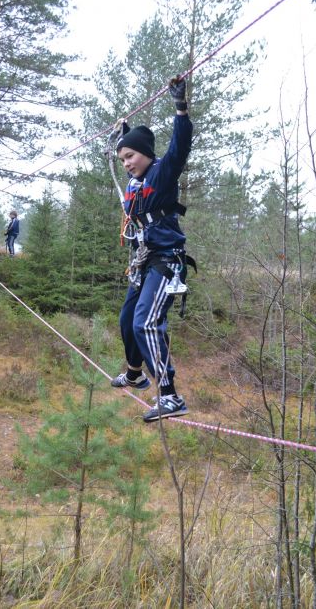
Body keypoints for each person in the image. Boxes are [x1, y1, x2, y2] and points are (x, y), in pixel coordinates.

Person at [110, 76, 193, 423]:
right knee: (127, 320)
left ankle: (170, 396)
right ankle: (135, 374)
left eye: (130, 157)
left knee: (145, 322)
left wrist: (180, 108)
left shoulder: (162, 173)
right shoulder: (135, 181)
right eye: (122, 159)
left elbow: (179, 146)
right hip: (144, 262)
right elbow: (134, 144)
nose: (126, 163)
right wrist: (124, 132)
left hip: (166, 261)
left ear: (145, 154)